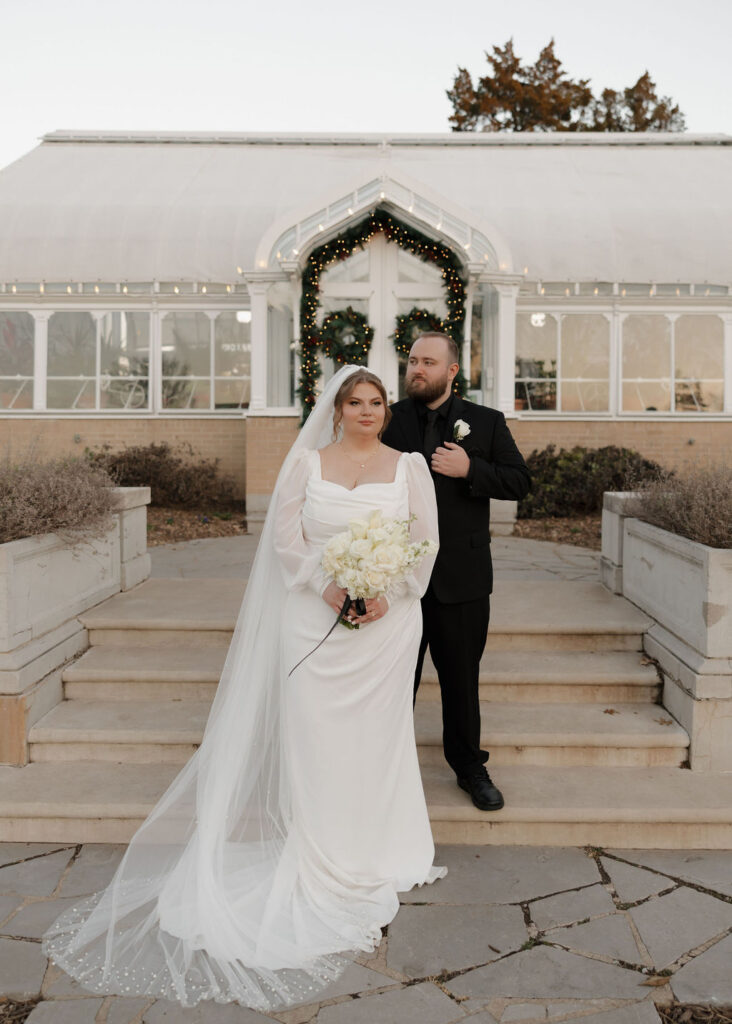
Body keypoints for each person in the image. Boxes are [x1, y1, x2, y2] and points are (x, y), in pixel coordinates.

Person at [42, 364, 445, 1013]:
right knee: (315, 740)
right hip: (314, 618)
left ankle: (379, 846)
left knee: (377, 740)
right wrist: (331, 586)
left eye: (376, 401)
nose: (366, 410)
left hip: (387, 628)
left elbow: (424, 544)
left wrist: (387, 593)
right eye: (355, 401)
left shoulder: (411, 469)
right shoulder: (306, 465)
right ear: (336, 408)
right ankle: (320, 852)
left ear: (385, 411)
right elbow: (287, 541)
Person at [382, 333, 531, 812]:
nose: (417, 370)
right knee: (391, 678)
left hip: (460, 579)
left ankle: (470, 768)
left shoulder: (485, 422)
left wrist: (471, 468)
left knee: (461, 680)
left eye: (428, 362)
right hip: (396, 578)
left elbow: (519, 482)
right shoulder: (387, 419)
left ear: (451, 371)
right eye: (412, 362)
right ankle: (384, 767)